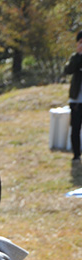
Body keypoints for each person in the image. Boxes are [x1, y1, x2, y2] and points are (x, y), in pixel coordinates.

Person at [64, 30, 82, 162]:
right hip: (76, 100)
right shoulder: (75, 58)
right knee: (75, 128)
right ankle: (76, 155)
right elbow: (67, 70)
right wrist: (78, 55)